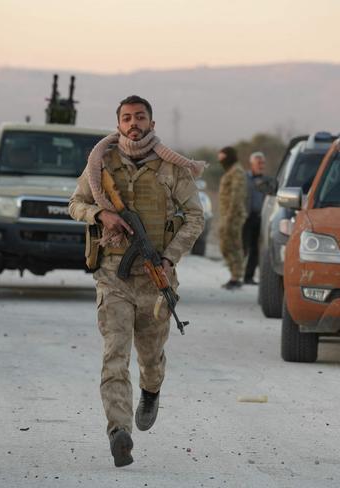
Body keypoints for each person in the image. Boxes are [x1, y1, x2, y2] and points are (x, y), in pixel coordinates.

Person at [69, 95, 205, 468]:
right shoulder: (101, 163)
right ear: (118, 124)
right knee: (114, 355)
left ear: (152, 124)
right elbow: (75, 204)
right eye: (127, 118)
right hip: (113, 275)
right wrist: (101, 215)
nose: (133, 123)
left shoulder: (170, 168)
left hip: (155, 278)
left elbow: (195, 217)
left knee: (150, 356)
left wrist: (168, 257)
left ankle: (151, 390)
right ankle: (119, 432)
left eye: (140, 117)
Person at [217, 146, 247, 289]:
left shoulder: (237, 172)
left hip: (233, 216)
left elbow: (237, 197)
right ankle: (235, 275)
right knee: (225, 245)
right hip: (226, 215)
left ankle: (237, 277)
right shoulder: (231, 171)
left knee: (233, 245)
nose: (220, 161)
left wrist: (229, 217)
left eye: (222, 158)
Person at [242, 151, 267, 284]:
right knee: (242, 247)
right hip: (245, 217)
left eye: (263, 163)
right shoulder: (243, 178)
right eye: (259, 163)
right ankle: (236, 275)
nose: (261, 166)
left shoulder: (265, 181)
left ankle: (248, 277)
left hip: (259, 217)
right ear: (251, 164)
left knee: (255, 248)